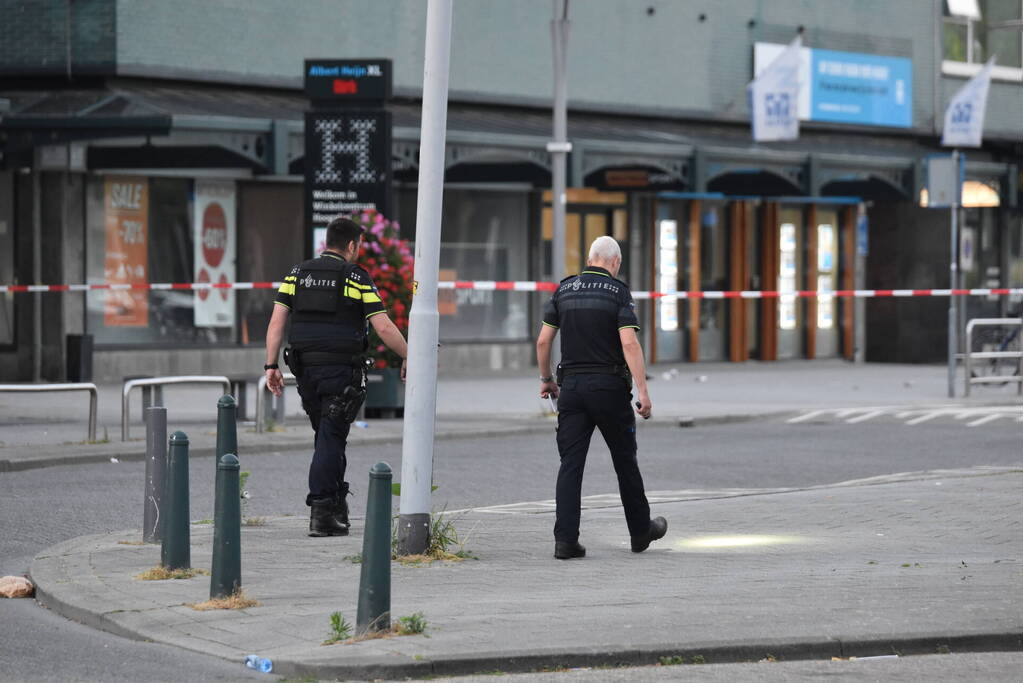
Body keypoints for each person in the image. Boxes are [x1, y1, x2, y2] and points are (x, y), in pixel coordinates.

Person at [264, 216, 408, 537]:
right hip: (340, 370)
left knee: (326, 436)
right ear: (352, 245)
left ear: (325, 243)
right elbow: (382, 325)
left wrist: (270, 366)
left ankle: (335, 504)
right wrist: (411, 356)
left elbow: (276, 323)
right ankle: (323, 510)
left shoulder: (297, 274)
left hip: (305, 371)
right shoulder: (355, 277)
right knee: (331, 437)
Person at [536, 235, 667, 559]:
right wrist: (644, 392)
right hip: (609, 389)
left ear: (591, 257)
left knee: (571, 465)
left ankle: (565, 541)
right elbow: (630, 344)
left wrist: (547, 380)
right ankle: (640, 532)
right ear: (614, 262)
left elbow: (542, 341)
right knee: (625, 461)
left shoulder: (564, 289)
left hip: (573, 391)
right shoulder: (619, 293)